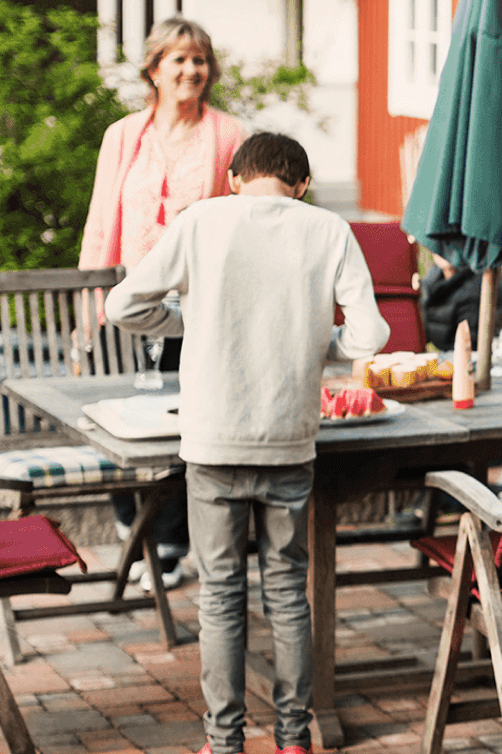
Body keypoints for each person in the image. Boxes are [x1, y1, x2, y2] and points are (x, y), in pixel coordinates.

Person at [104, 132, 390, 754]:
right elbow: (369, 335)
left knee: (220, 595)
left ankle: (224, 742)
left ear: (233, 177)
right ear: (303, 183)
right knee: (288, 592)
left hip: (213, 442)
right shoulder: (328, 230)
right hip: (290, 441)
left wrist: (185, 318)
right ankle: (293, 740)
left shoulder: (201, 219)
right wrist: (325, 348)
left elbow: (124, 304)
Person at [80, 17, 248, 592]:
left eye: (199, 60)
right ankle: (132, 529)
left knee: (186, 420)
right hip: (127, 296)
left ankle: (172, 543)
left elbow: (244, 225)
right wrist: (91, 302)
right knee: (113, 414)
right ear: (154, 69)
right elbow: (104, 219)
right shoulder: (124, 135)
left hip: (195, 305)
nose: (190, 70)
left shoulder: (231, 135)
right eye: (178, 59)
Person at [419, 253, 502, 353]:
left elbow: (473, 345)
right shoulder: (432, 280)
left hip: (500, 361)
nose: (443, 248)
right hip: (454, 358)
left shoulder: (482, 283)